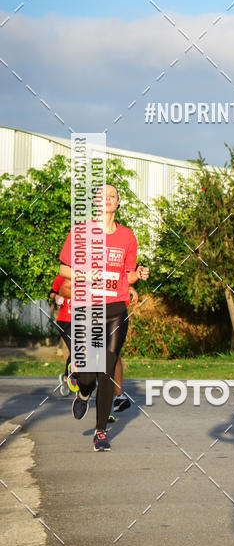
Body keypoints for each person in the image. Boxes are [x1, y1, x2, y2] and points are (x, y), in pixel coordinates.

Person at [59, 184, 145, 451]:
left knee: (107, 369)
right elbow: (64, 269)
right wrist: (86, 275)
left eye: (112, 196)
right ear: (95, 203)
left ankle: (100, 432)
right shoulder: (81, 232)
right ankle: (84, 391)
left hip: (116, 310)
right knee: (88, 374)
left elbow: (126, 275)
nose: (107, 199)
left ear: (118, 203)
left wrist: (139, 274)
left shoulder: (128, 237)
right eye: (102, 196)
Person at [50, 274, 79, 396]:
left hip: (81, 320)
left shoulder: (87, 277)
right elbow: (51, 293)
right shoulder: (60, 277)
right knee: (76, 349)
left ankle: (68, 378)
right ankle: (71, 378)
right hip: (65, 321)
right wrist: (56, 297)